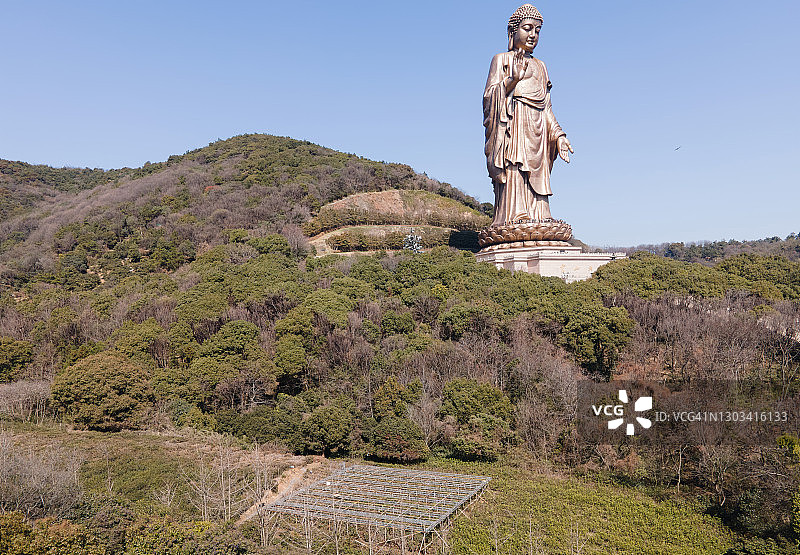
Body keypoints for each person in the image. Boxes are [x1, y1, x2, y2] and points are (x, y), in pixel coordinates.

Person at [483, 4, 573, 228]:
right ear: (513, 31)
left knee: (540, 177)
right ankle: (514, 215)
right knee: (515, 167)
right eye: (528, 28)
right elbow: (489, 98)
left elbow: (547, 107)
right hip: (514, 126)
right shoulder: (501, 60)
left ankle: (541, 215)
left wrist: (559, 135)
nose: (533, 34)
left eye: (538, 30)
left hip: (539, 130)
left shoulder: (541, 66)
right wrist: (512, 79)